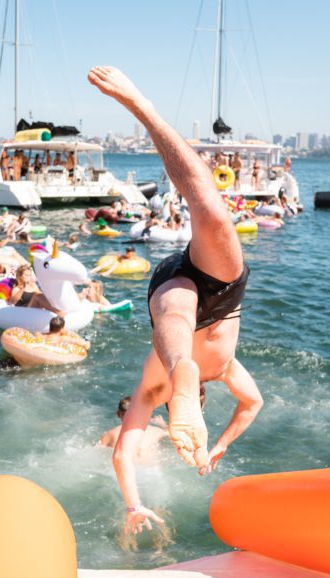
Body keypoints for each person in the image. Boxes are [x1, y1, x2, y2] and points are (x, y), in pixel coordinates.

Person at [88, 66, 263, 534]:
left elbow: (124, 453)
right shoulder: (227, 370)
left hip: (175, 296)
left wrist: (132, 505)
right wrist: (221, 445)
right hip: (222, 295)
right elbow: (251, 404)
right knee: (214, 216)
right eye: (200, 404)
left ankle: (141, 108)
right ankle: (182, 366)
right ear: (200, 405)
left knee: (174, 323)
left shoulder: (153, 388)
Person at [98, 396, 168, 462]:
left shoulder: (110, 435)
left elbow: (96, 452)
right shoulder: (155, 432)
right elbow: (172, 434)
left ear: (118, 414)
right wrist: (162, 424)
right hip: (152, 471)